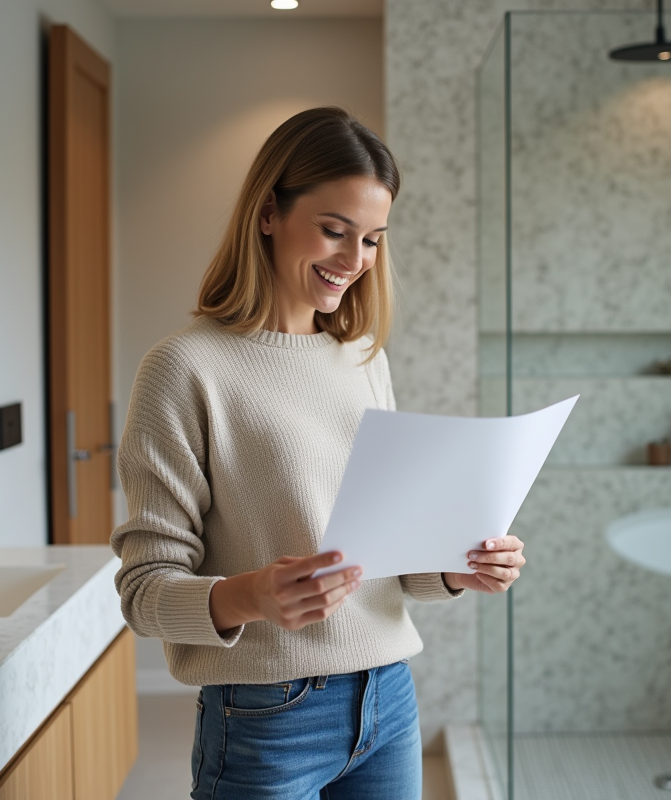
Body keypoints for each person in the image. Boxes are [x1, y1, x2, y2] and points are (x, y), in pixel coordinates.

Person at [111, 106, 527, 800]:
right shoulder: (184, 369)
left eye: (371, 240)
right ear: (269, 212)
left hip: (388, 700)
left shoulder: (362, 358)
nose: (354, 260)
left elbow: (389, 558)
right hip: (265, 718)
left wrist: (458, 567)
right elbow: (143, 591)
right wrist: (251, 595)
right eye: (334, 231)